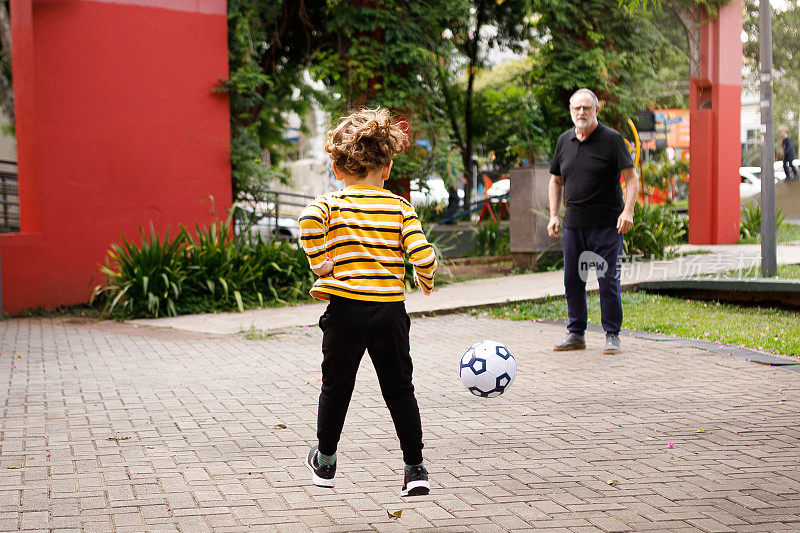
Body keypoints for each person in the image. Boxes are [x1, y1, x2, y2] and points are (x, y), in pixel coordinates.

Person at [298, 107, 437, 497]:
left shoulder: (332, 203)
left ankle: (325, 463)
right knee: (400, 390)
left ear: (339, 170)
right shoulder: (399, 208)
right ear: (388, 167)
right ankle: (415, 469)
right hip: (390, 312)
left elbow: (308, 219)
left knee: (336, 388)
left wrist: (320, 263)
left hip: (345, 312)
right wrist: (423, 279)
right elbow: (423, 255)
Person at [547, 88, 639, 354]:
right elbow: (555, 180)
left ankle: (612, 334)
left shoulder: (612, 140)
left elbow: (631, 178)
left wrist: (628, 212)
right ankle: (576, 333)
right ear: (570, 111)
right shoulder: (564, 141)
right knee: (572, 280)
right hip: (574, 224)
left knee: (607, 279)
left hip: (608, 224)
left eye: (587, 108)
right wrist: (554, 215)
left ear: (596, 110)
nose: (581, 113)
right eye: (577, 108)